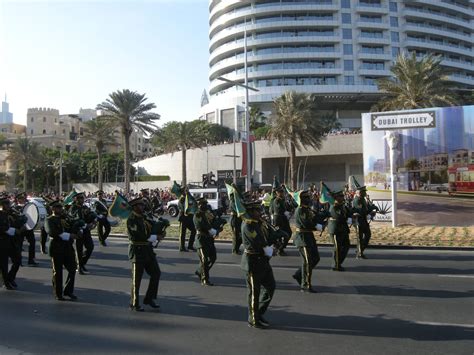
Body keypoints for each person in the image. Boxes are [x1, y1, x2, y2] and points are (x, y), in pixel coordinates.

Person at [241, 200, 276, 329]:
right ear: (250, 212)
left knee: (270, 287)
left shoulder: (259, 223)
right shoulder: (248, 225)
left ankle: (258, 312)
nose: (259, 212)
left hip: (263, 261)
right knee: (254, 292)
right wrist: (268, 250)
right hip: (253, 262)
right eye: (257, 210)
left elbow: (266, 238)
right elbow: (256, 242)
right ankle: (253, 319)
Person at [127, 197, 161, 312]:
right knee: (137, 279)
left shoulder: (144, 217)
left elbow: (152, 228)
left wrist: (160, 229)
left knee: (156, 273)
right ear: (134, 207)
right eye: (140, 205)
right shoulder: (131, 219)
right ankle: (134, 303)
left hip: (148, 250)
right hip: (137, 250)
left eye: (142, 205)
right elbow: (139, 234)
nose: (142, 207)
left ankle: (149, 298)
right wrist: (155, 237)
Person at [45, 201, 78, 301]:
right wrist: (69, 235)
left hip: (67, 247)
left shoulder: (65, 218)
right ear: (53, 209)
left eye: (61, 207)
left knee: (72, 269)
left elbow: (72, 226)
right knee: (57, 272)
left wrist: (78, 230)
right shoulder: (49, 220)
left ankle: (68, 291)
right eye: (58, 207)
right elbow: (52, 232)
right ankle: (58, 293)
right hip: (56, 248)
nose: (60, 209)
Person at [292, 191, 320, 293]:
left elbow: (314, 218)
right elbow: (306, 223)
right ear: (302, 199)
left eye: (308, 197)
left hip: (309, 236)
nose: (308, 199)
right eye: (306, 198)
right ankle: (305, 285)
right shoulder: (300, 210)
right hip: (302, 237)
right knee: (307, 261)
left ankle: (299, 274)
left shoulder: (307, 209)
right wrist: (316, 226)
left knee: (315, 258)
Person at [67, 192, 96, 275]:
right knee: (79, 249)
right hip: (78, 231)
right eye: (79, 198)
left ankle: (82, 263)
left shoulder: (85, 207)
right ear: (75, 199)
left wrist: (93, 220)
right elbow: (74, 219)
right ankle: (79, 267)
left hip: (86, 231)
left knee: (90, 247)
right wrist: (84, 225)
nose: (82, 200)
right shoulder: (73, 208)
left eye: (82, 198)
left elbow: (90, 214)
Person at [193, 198, 217, 286]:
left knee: (213, 258)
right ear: (199, 205)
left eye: (205, 204)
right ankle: (204, 279)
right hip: (201, 239)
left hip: (209, 239)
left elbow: (213, 220)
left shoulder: (207, 213)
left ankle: (200, 271)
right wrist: (212, 230)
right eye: (203, 204)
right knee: (204, 260)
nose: (205, 206)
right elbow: (202, 225)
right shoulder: (198, 215)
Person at [327, 190, 351, 271]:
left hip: (343, 229)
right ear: (336, 198)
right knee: (337, 248)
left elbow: (348, 213)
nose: (343, 197)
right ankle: (336, 265)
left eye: (342, 196)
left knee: (346, 245)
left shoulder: (342, 205)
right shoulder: (333, 206)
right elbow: (339, 217)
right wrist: (348, 218)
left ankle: (338, 262)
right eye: (341, 196)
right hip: (335, 229)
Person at [352, 186, 378, 259]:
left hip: (363, 220)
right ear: (360, 193)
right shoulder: (357, 200)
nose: (365, 193)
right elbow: (361, 211)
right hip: (358, 221)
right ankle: (359, 253)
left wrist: (373, 208)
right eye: (364, 192)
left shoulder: (362, 199)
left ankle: (360, 250)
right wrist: (370, 213)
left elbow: (366, 208)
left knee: (368, 235)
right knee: (360, 238)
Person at [14, 192, 39, 266]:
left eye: (24, 198)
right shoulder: (15, 207)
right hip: (20, 228)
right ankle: (19, 261)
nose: (23, 200)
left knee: (32, 243)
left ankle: (31, 260)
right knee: (19, 245)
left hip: (28, 228)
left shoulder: (28, 206)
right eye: (21, 198)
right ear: (18, 199)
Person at [270, 186, 292, 256]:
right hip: (278, 220)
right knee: (279, 235)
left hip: (284, 219)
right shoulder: (276, 200)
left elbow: (287, 207)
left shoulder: (282, 200)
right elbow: (278, 209)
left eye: (282, 192)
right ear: (277, 193)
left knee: (289, 233)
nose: (282, 193)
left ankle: (280, 247)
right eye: (280, 192)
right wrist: (286, 212)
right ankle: (279, 249)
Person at [229, 184, 242, 255]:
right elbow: (237, 209)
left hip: (237, 219)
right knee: (235, 236)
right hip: (234, 219)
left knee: (238, 235)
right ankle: (234, 250)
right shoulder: (233, 201)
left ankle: (237, 248)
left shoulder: (237, 200)